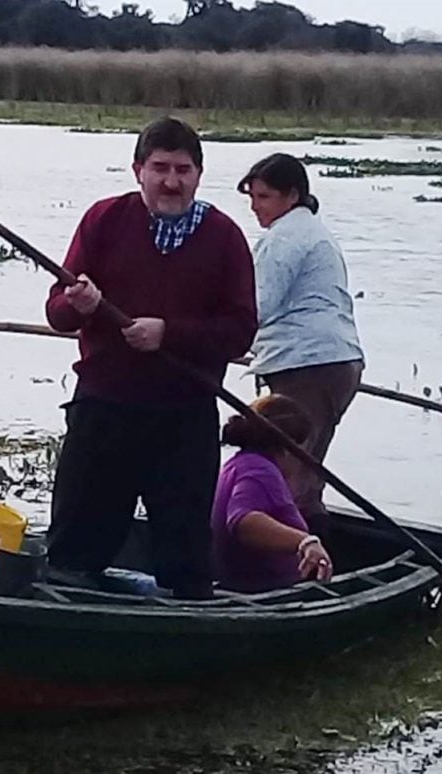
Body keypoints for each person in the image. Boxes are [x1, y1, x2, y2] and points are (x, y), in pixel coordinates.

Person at [45, 116, 257, 599]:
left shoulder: (224, 237)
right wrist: (74, 305)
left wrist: (169, 334)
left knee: (184, 558)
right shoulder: (104, 220)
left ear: (199, 175)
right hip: (104, 408)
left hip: (184, 418)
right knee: (75, 548)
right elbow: (57, 311)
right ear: (137, 169)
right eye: (160, 167)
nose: (171, 181)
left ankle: (183, 645)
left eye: (183, 169)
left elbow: (240, 331)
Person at [237, 153, 365, 535]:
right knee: (303, 474)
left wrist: (214, 339)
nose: (255, 207)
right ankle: (314, 559)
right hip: (330, 363)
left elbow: (256, 305)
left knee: (290, 478)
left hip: (309, 366)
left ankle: (295, 569)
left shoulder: (286, 237)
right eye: (252, 198)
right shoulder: (312, 232)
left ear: (290, 196)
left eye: (263, 197)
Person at [212, 394, 334, 593]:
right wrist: (305, 541)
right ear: (290, 448)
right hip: (264, 591)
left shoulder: (238, 463)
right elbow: (244, 520)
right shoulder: (260, 471)